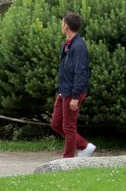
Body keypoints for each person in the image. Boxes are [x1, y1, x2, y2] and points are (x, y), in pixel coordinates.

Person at [51, 11, 95, 158]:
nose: (61, 25)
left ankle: (68, 160)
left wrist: (75, 96)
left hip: (72, 92)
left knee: (69, 127)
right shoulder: (67, 44)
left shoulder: (78, 46)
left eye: (63, 23)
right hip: (64, 90)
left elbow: (81, 72)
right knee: (56, 123)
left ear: (67, 26)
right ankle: (84, 146)